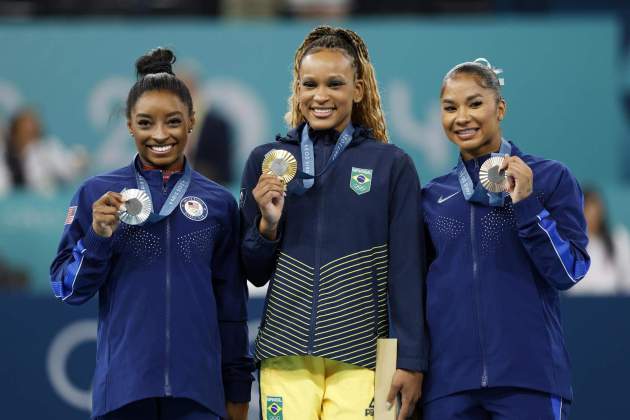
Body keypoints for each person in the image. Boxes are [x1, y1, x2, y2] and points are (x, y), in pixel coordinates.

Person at [49, 47, 253, 420]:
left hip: (200, 397)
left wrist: (238, 390)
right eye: (145, 123)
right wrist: (97, 237)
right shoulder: (97, 194)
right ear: (129, 124)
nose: (160, 135)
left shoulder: (219, 204)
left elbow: (232, 310)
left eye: (173, 122)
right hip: (124, 394)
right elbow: (67, 289)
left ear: (192, 120)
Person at [240, 25, 427, 420]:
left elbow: (408, 272)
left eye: (335, 84)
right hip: (285, 350)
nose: (320, 96)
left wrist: (410, 359)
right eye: (310, 84)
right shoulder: (267, 161)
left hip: (363, 353)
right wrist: (267, 228)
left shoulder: (391, 165)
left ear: (357, 90)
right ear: (298, 88)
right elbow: (253, 273)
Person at [421, 58, 590, 419]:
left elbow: (569, 271)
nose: (462, 117)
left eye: (475, 103)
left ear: (500, 108)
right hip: (449, 386)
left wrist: (527, 206)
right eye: (450, 108)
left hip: (529, 379)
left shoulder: (550, 179)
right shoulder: (433, 197)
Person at [6, 107, 87, 195]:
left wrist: (78, 163)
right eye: (24, 132)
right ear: (15, 133)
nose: (29, 138)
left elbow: (67, 169)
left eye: (33, 132)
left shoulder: (48, 149)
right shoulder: (5, 154)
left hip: (41, 204)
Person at [568, 187, 630, 295]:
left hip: (611, 305)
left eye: (596, 210)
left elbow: (627, 281)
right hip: (576, 305)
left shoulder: (617, 240)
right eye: (587, 209)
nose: (592, 216)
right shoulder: (568, 244)